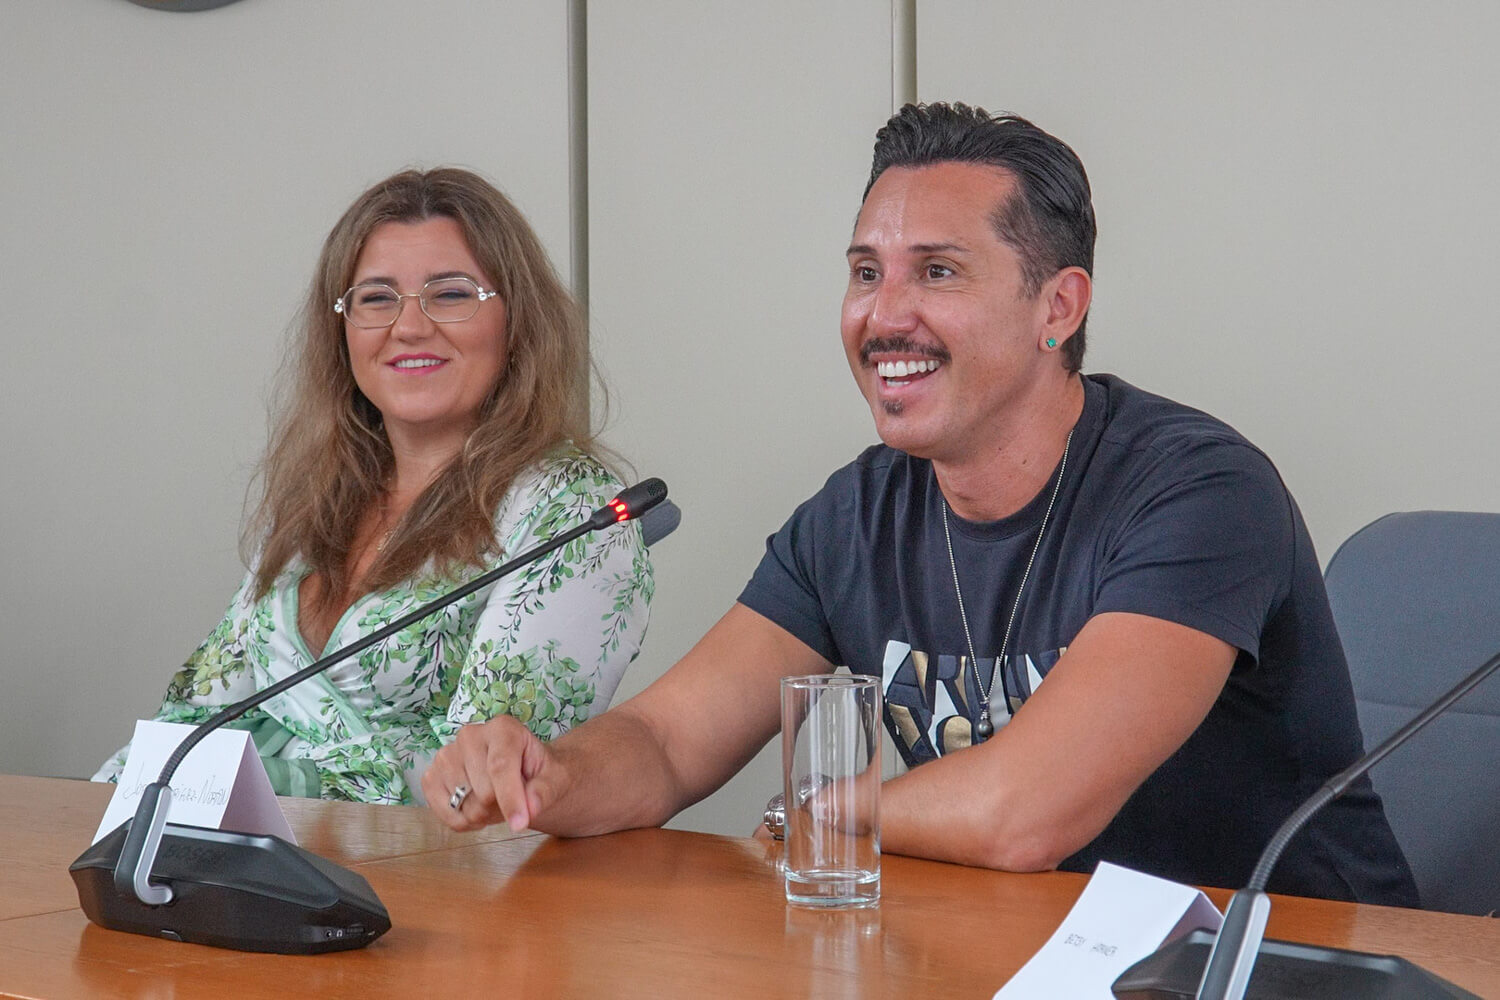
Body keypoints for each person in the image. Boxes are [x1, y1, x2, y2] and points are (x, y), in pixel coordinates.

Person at [423, 106, 1416, 905]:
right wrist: (548, 775)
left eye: (937, 271)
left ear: (1058, 307)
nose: (882, 315)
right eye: (866, 273)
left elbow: (1026, 812)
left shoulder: (1200, 492)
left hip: (1282, 969)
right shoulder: (856, 513)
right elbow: (669, 742)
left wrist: (816, 815)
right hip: (1021, 957)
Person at [95, 168, 652, 805]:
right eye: (377, 299)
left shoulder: (572, 508)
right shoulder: (319, 500)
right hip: (240, 845)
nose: (408, 327)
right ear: (342, 329)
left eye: (450, 294)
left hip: (426, 866)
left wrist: (269, 785)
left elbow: (481, 786)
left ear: (518, 320)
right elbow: (194, 715)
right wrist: (121, 793)